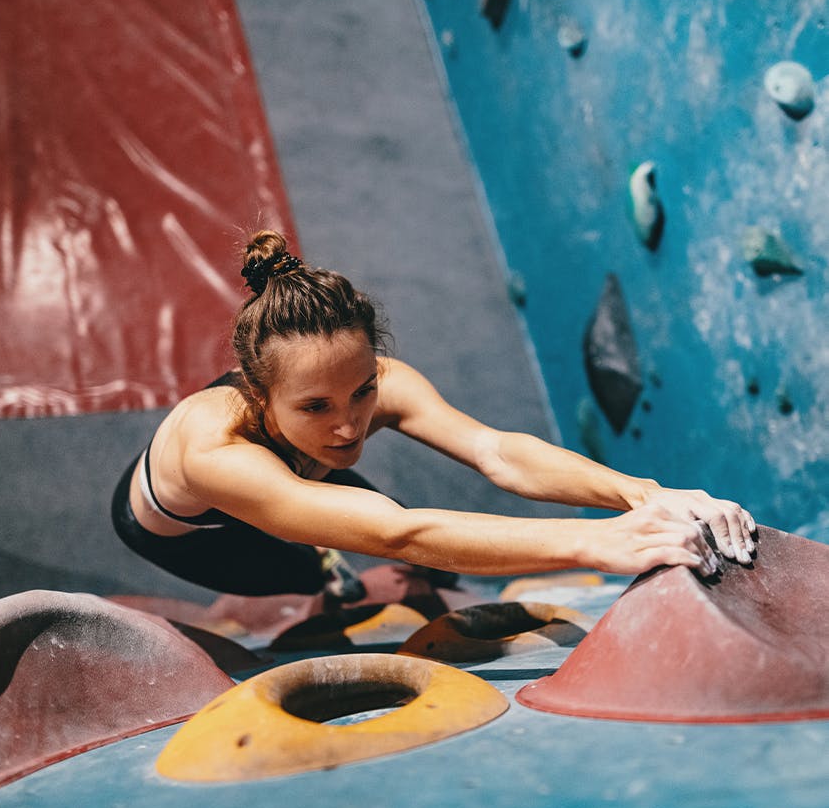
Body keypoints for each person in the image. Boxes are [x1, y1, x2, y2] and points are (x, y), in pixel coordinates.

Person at [112, 229, 757, 601]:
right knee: (317, 574)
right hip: (199, 534)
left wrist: (643, 495)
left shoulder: (373, 387)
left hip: (300, 474)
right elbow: (398, 533)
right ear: (259, 396)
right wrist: (593, 541)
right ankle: (327, 574)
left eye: (362, 392)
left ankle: (339, 548)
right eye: (315, 406)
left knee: (404, 545)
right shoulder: (214, 448)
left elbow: (496, 453)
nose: (348, 425)